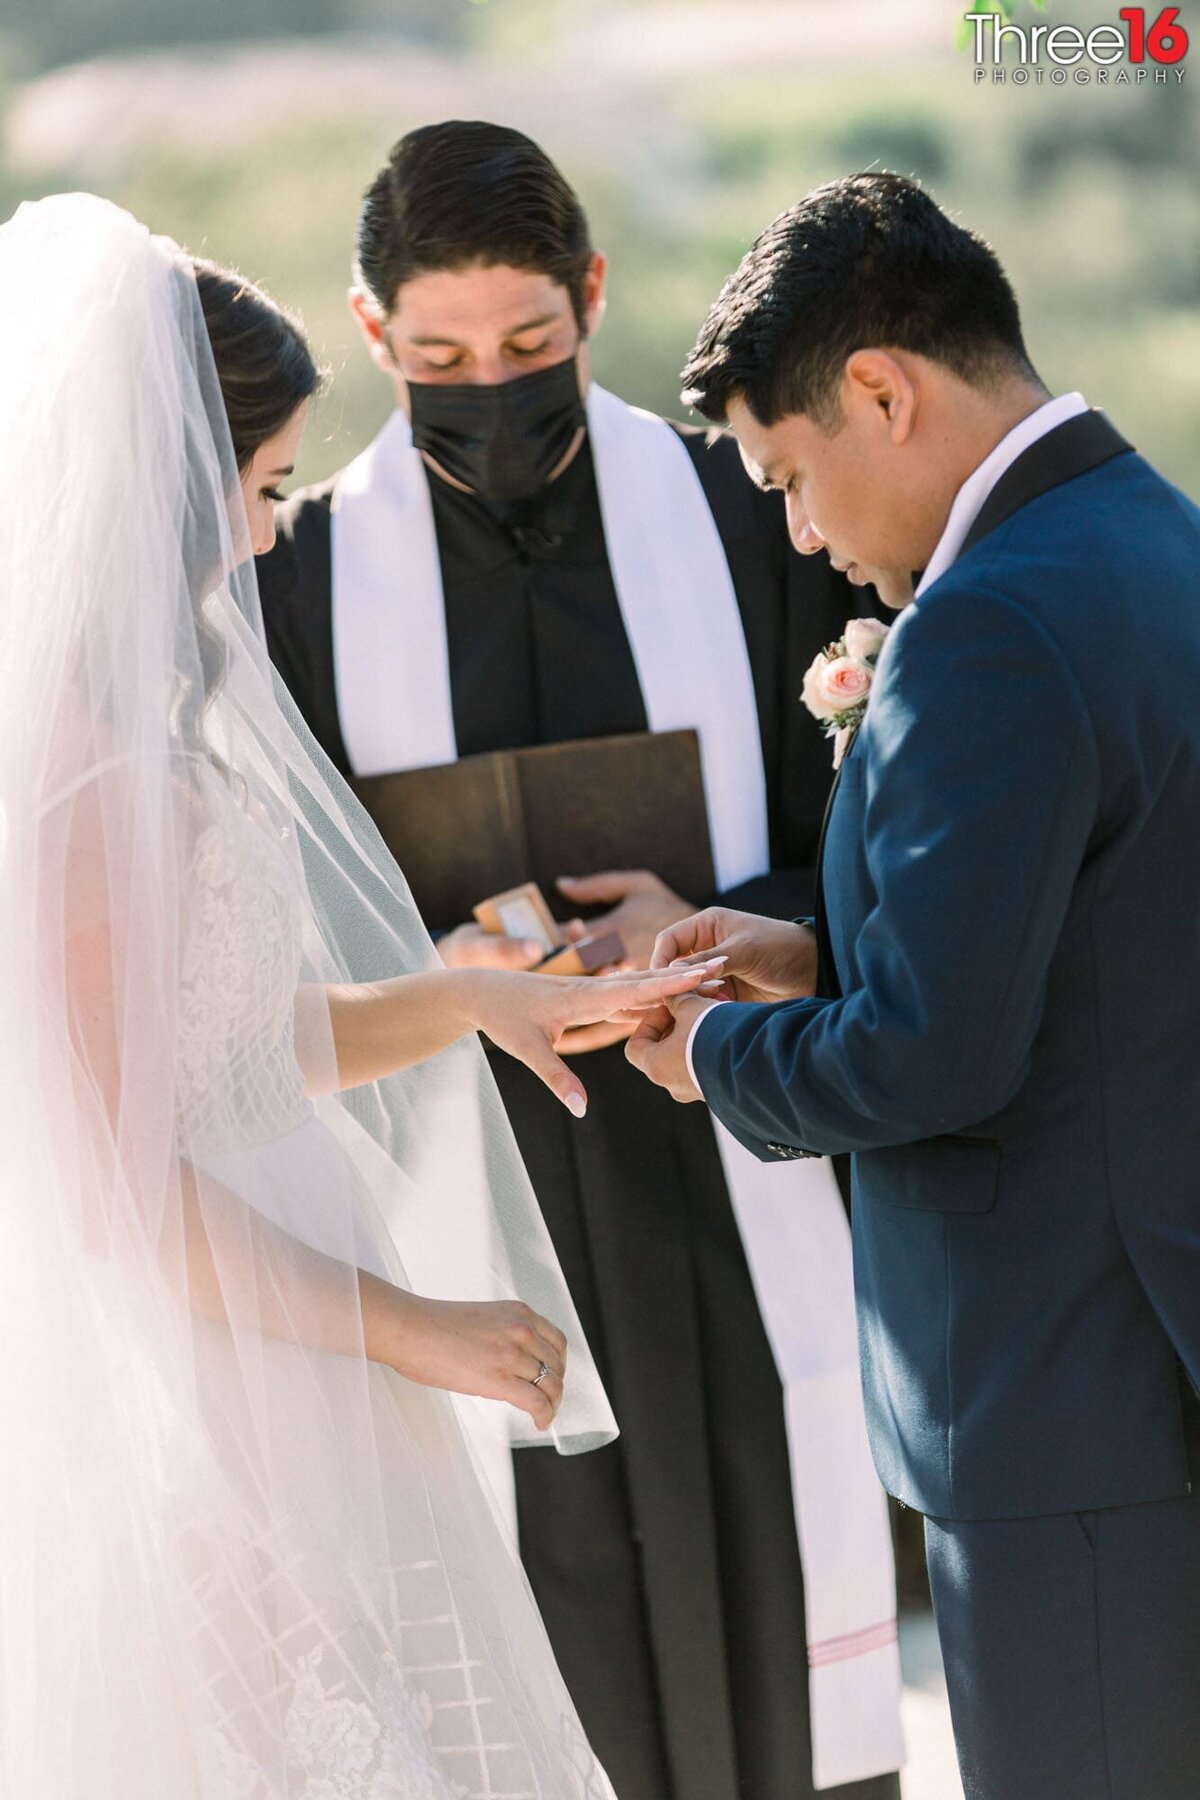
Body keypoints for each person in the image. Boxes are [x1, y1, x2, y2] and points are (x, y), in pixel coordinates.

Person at [0, 191, 720, 1799]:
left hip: (294, 1347)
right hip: (214, 1379)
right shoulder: (73, 786)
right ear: (158, 491)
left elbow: (233, 1055)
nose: (267, 534)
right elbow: (121, 1185)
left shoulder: (138, 752)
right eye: (254, 490)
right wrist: (415, 1331)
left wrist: (477, 1004)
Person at [257, 120, 903, 1800]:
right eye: (443, 357)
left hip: (739, 1152)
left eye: (532, 348)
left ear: (595, 297)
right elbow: (268, 915)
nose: (492, 387)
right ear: (369, 330)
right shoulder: (307, 578)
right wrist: (452, 955)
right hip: (483, 1191)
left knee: (785, 1613)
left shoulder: (742, 512)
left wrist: (702, 912)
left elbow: (875, 826)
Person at [629, 170, 1200, 1800]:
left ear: (882, 390)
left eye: (791, 478)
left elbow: (931, 1061)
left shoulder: (987, 625)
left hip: (1065, 1405)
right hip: (1142, 1371)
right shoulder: (1153, 533)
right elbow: (1109, 922)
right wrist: (822, 946)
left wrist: (722, 1050)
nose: (801, 534)